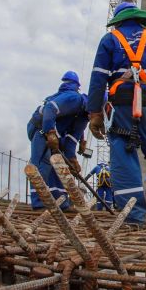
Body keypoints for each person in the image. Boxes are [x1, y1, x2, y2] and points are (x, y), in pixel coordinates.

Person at [86, 2, 146, 226]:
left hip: (121, 108)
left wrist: (94, 113)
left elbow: (98, 79)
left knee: (123, 155)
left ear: (118, 21)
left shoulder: (110, 39)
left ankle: (134, 218)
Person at [26, 71, 89, 210]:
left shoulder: (83, 114)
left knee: (58, 165)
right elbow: (50, 108)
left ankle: (60, 200)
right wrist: (50, 132)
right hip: (40, 129)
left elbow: (71, 140)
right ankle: (39, 202)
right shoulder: (74, 98)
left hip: (52, 132)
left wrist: (72, 159)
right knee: (41, 163)